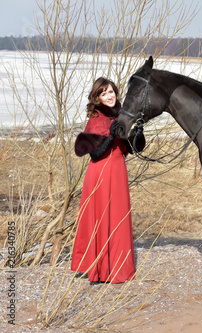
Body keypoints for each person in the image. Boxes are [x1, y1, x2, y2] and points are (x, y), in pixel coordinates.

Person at [71, 77, 144, 284]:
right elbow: (94, 155)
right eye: (103, 93)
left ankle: (117, 268)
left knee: (118, 217)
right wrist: (111, 136)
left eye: (111, 91)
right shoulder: (96, 118)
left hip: (118, 170)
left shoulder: (123, 114)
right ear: (97, 98)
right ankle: (98, 269)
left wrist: (138, 133)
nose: (109, 96)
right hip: (100, 173)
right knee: (100, 218)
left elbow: (133, 148)